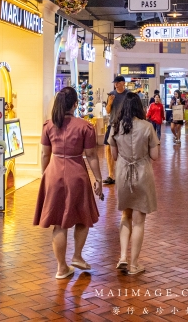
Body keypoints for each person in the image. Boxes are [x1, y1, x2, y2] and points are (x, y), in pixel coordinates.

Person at [34, 87, 103, 279]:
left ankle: (61, 268)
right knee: (83, 216)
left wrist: (44, 174)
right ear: (75, 104)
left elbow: (44, 154)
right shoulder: (85, 127)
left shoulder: (48, 126)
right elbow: (91, 156)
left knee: (59, 223)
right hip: (77, 174)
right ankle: (77, 256)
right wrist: (98, 179)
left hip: (54, 173)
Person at [108, 94, 159, 275]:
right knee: (139, 221)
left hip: (122, 173)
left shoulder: (115, 127)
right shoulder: (147, 127)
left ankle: (122, 257)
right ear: (140, 107)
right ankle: (134, 264)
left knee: (125, 216)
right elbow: (154, 156)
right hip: (142, 173)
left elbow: (113, 157)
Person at [104, 75, 129, 185]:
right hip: (112, 124)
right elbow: (108, 111)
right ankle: (111, 175)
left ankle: (125, 173)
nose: (116, 84)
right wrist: (109, 102)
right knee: (108, 148)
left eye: (118, 82)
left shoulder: (128, 95)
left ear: (123, 83)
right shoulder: (112, 94)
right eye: (115, 83)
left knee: (124, 149)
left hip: (125, 125)